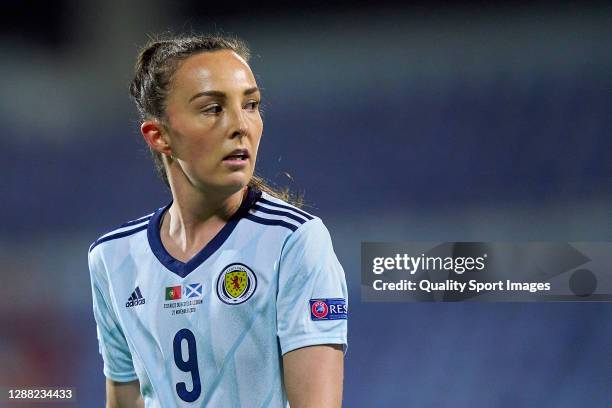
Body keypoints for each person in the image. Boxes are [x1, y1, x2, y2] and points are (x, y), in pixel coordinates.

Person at [88, 33, 348, 408]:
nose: (240, 125)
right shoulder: (112, 259)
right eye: (212, 108)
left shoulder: (295, 242)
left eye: (252, 104)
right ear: (159, 136)